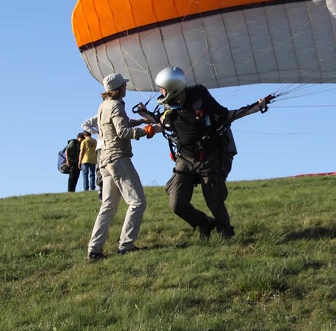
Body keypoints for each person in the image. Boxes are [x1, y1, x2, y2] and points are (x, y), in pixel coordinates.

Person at [153, 66, 271, 241]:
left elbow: (226, 116)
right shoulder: (168, 107)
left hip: (207, 157)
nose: (160, 92)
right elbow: (162, 125)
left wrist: (256, 107)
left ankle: (226, 234)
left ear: (173, 87)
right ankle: (204, 223)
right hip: (184, 158)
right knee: (177, 204)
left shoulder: (200, 97)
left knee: (214, 201)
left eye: (162, 89)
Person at [86, 73, 158, 261]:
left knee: (108, 207)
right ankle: (126, 245)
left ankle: (94, 250)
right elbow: (123, 131)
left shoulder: (104, 106)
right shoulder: (117, 105)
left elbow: (115, 125)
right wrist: (149, 131)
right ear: (119, 89)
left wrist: (140, 121)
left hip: (105, 161)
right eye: (124, 86)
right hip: (118, 159)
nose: (126, 88)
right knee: (137, 202)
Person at [81, 116, 104, 200]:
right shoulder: (94, 141)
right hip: (93, 158)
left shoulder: (84, 141)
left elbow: (81, 152)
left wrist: (96, 131)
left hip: (86, 159)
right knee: (92, 174)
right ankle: (94, 188)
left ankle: (89, 189)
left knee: (87, 174)